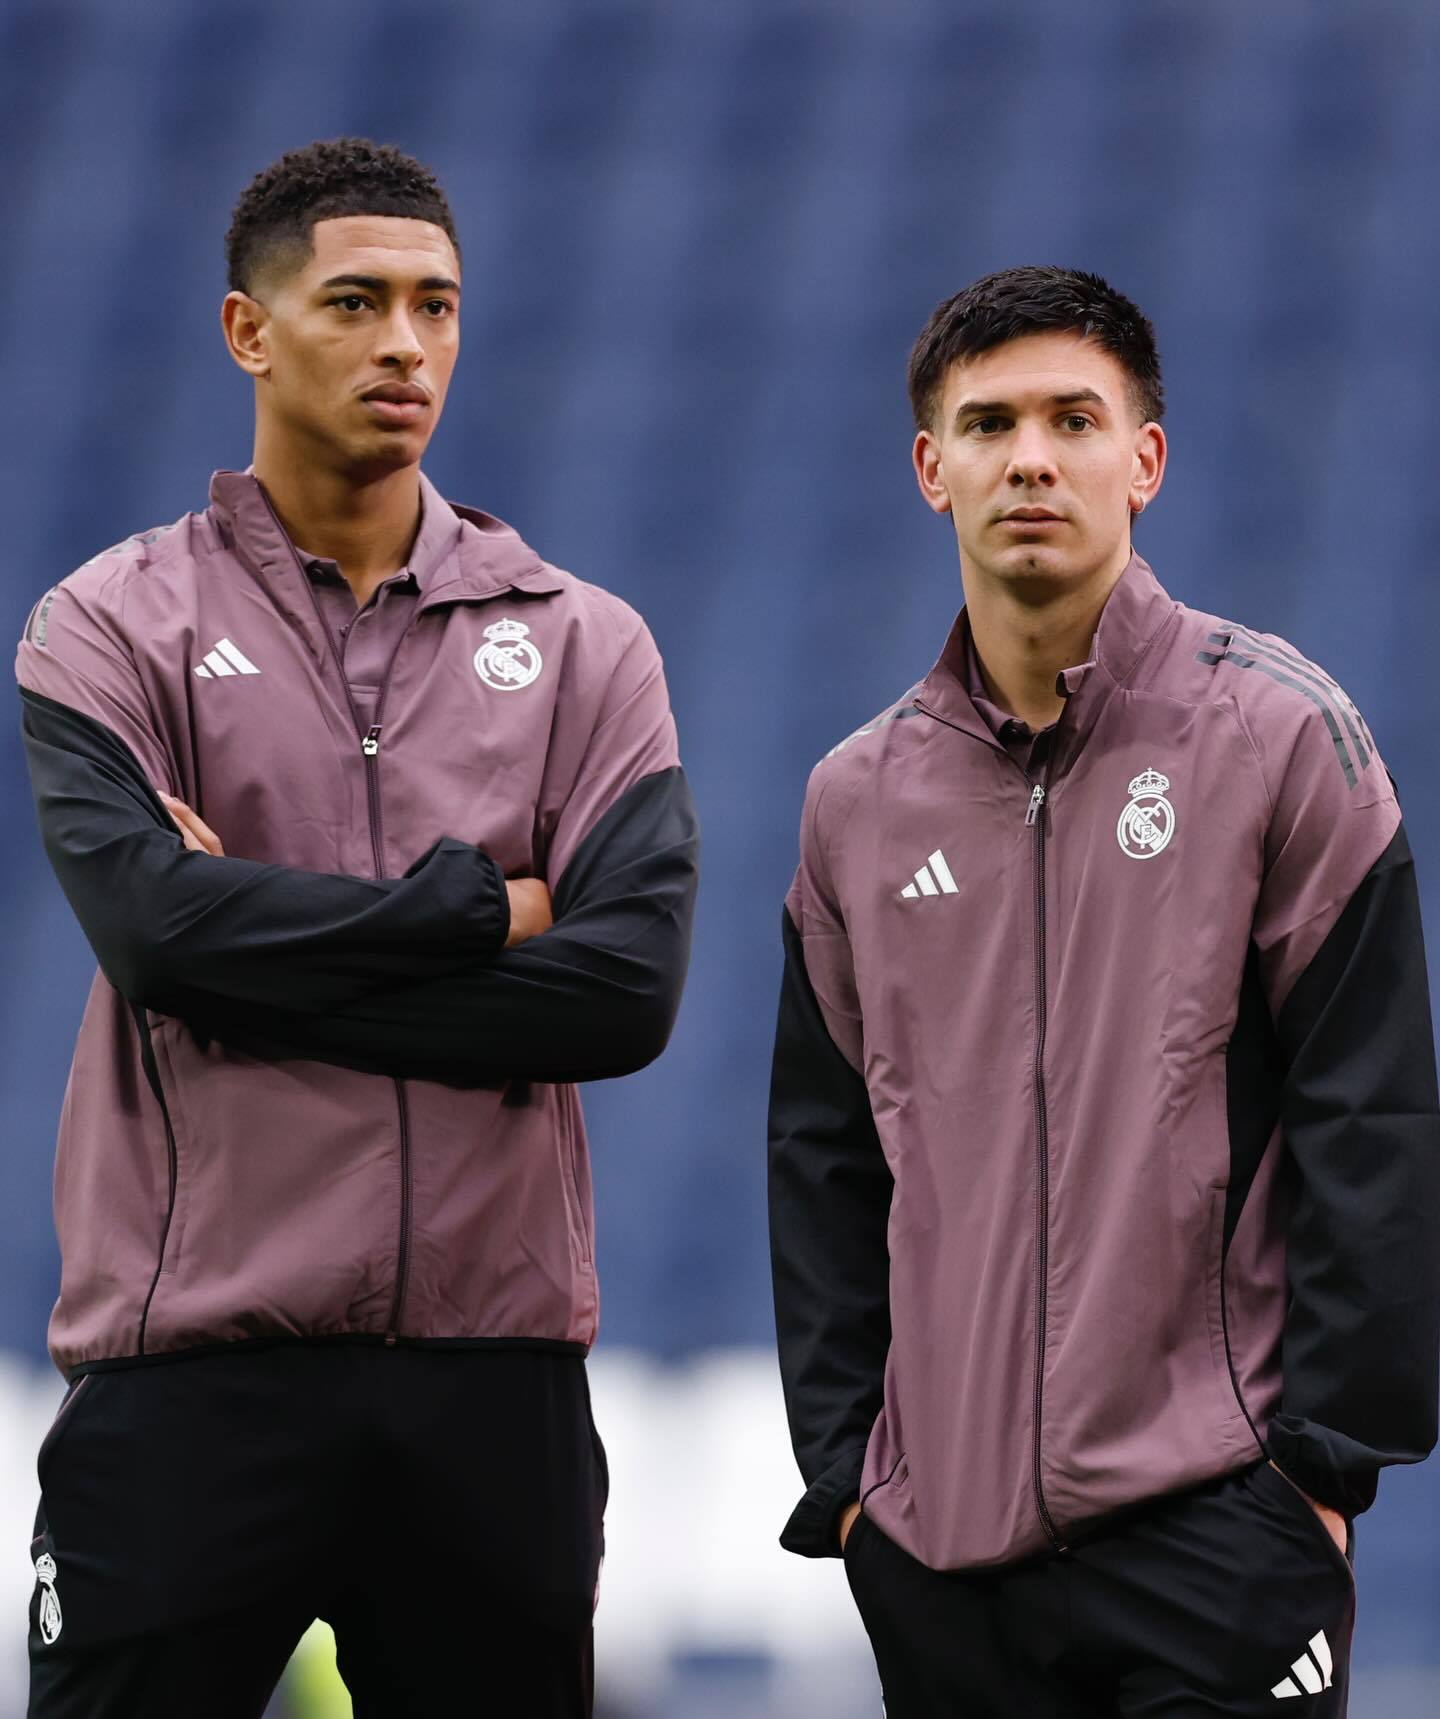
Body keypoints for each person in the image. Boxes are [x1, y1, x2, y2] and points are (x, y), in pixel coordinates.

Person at [17, 137, 697, 1718]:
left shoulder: (586, 643)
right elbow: (154, 937)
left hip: (495, 1385)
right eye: (357, 302)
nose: (406, 344)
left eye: (436, 306)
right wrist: (470, 909)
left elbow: (622, 994)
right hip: (192, 1376)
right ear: (248, 331)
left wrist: (247, 967)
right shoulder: (111, 624)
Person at [768, 265, 1439, 1716]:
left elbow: (1373, 1118)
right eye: (989, 424)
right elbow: (824, 1157)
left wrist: (1320, 1471)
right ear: (931, 469)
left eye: (1073, 420)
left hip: (1219, 1533)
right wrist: (849, 1478)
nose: (1030, 459)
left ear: (1145, 460)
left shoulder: (1279, 737)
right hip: (942, 1564)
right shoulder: (854, 803)